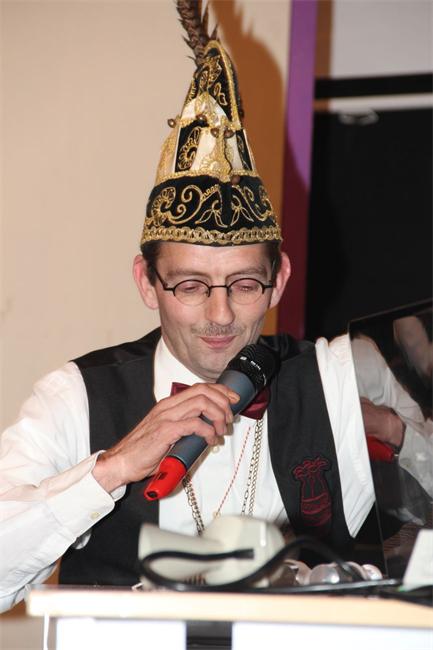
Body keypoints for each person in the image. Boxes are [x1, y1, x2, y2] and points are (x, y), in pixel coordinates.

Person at [0, 6, 377, 611]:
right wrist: (111, 469)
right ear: (147, 283)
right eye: (192, 286)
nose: (221, 315)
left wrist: (400, 431)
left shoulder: (334, 381)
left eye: (245, 284)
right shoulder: (75, 397)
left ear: (279, 279)